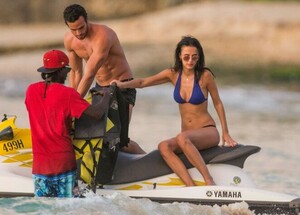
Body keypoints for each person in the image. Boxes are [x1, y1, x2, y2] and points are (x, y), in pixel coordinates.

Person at [111, 36, 237, 186]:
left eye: (194, 57)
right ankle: (190, 186)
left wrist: (225, 132)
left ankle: (209, 181)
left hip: (207, 131)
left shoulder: (205, 76)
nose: (190, 61)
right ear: (179, 56)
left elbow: (218, 103)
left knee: (182, 138)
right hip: (186, 137)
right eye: (186, 57)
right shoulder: (173, 75)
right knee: (164, 146)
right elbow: (143, 82)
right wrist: (121, 85)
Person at [25, 50, 113, 197]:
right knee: (68, 210)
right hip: (63, 165)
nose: (66, 75)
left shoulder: (31, 91)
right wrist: (107, 97)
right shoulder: (67, 94)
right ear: (59, 71)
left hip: (39, 168)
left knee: (45, 211)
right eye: (66, 70)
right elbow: (97, 114)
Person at [63, 4, 145, 154]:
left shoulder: (103, 36)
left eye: (81, 27)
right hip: (99, 88)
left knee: (119, 140)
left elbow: (89, 73)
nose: (78, 33)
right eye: (73, 29)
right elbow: (76, 72)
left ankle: (146, 162)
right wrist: (71, 99)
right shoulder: (70, 41)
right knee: (92, 135)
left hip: (121, 87)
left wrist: (72, 104)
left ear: (87, 20)